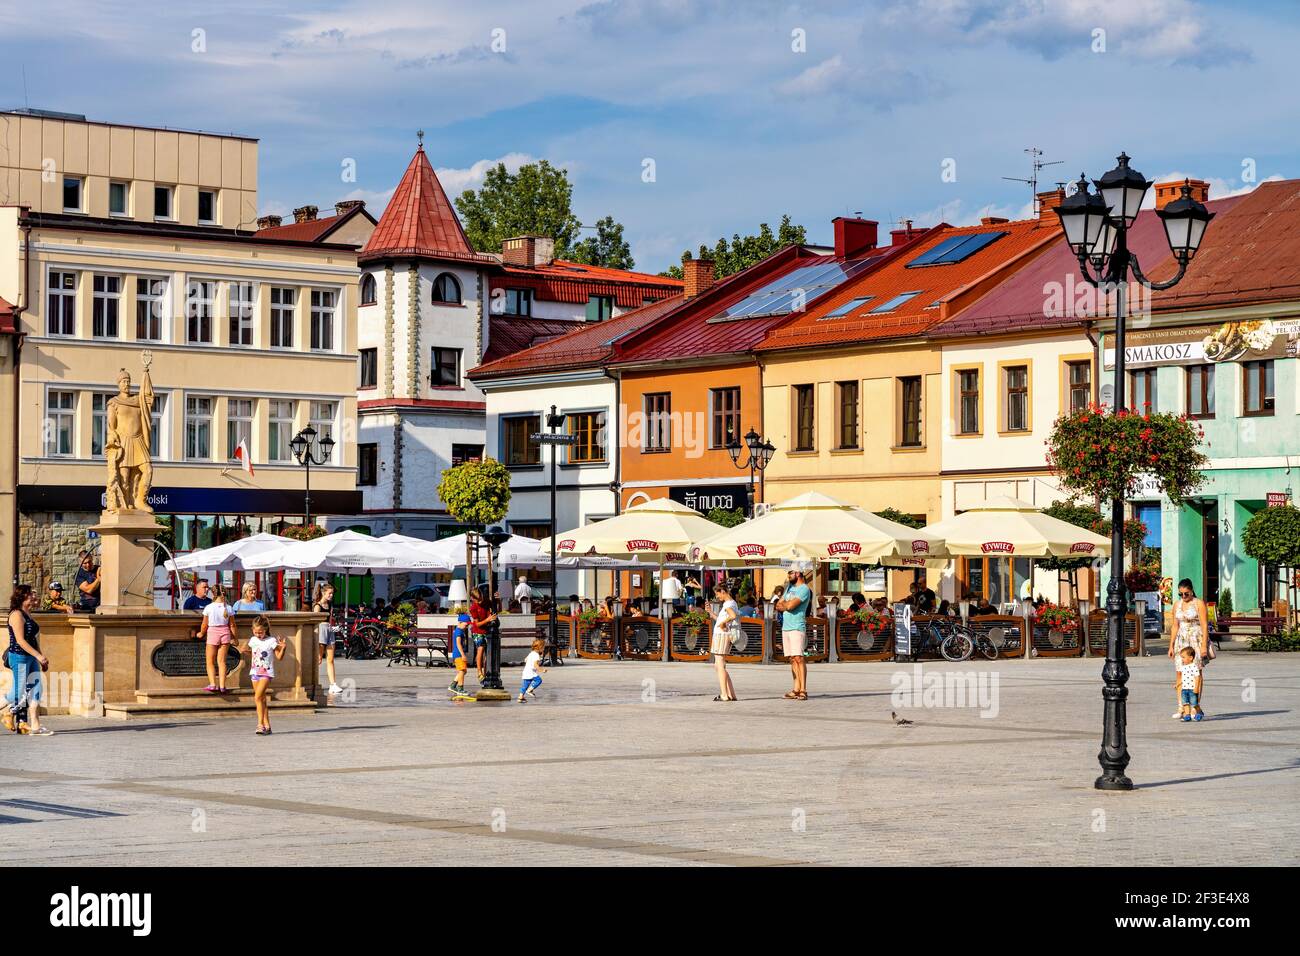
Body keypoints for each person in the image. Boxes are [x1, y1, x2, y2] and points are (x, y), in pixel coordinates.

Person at [3, 586, 52, 735]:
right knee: (17, 693)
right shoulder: (16, 615)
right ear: (23, 596)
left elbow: (33, 639)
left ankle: (36, 727)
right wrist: (38, 656)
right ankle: (8, 714)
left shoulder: (27, 613)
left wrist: (41, 657)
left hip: (31, 657)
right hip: (19, 657)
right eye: (30, 594)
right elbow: (20, 641)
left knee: (36, 690)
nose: (33, 596)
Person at [1169, 578, 1209, 719]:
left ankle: (1195, 706)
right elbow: (1175, 626)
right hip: (1181, 640)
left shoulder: (1199, 604)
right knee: (1180, 673)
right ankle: (1182, 707)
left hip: (1196, 640)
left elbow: (1204, 625)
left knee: (1196, 673)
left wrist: (1204, 645)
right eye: (1181, 594)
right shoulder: (1177, 605)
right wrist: (1171, 645)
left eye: (1186, 593)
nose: (1184, 596)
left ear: (1192, 590)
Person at [245, 614, 286, 735]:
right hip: (255, 672)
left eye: (260, 632)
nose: (258, 634)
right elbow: (252, 654)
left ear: (265, 630)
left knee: (257, 697)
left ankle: (260, 724)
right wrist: (245, 651)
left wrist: (283, 648)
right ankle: (268, 725)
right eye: (256, 632)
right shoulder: (253, 640)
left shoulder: (271, 641)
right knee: (261, 700)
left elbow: (279, 657)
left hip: (266, 673)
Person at [778, 569, 813, 700]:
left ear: (798, 573)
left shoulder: (804, 589)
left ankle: (803, 689)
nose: (788, 575)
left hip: (797, 626)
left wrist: (786, 605)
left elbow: (791, 606)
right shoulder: (789, 588)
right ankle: (796, 688)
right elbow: (778, 604)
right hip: (786, 627)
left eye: (790, 573)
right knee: (792, 658)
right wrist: (785, 605)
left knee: (799, 658)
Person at [198, 584, 238, 694]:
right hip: (225, 633)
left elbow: (204, 624)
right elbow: (233, 626)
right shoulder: (228, 608)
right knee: (222, 662)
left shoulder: (209, 607)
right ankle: (222, 686)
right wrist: (236, 638)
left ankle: (212, 684)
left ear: (213, 593)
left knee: (210, 661)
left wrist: (201, 633)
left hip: (213, 633)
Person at [709, 583, 740, 702]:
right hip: (724, 635)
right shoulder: (733, 603)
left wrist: (722, 623)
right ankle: (731, 694)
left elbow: (731, 616)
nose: (717, 597)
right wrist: (712, 614)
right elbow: (725, 618)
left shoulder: (728, 604)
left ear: (723, 591)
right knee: (719, 665)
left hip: (721, 636)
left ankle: (724, 694)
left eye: (717, 594)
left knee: (720, 664)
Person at [313, 582, 343, 696]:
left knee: (330, 659)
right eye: (329, 593)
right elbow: (315, 622)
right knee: (319, 659)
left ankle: (333, 684)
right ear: (323, 593)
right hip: (321, 631)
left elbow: (329, 620)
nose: (331, 595)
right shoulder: (317, 606)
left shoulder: (329, 605)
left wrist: (334, 628)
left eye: (332, 594)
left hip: (329, 630)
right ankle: (312, 682)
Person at [469, 587, 497, 683]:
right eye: (478, 600)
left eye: (481, 598)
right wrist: (488, 620)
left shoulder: (486, 601)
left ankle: (486, 673)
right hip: (477, 631)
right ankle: (479, 672)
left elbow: (498, 610)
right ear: (472, 598)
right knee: (480, 648)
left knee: (488, 653)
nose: (480, 601)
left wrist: (498, 601)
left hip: (487, 630)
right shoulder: (473, 608)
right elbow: (477, 624)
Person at [1174, 646, 1203, 722]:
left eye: (1183, 657)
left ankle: (1199, 712)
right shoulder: (1183, 667)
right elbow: (1182, 678)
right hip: (1184, 689)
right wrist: (1177, 684)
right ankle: (1187, 715)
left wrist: (1196, 688)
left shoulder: (1194, 667)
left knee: (1194, 703)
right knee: (1185, 703)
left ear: (1190, 658)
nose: (1182, 659)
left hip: (1192, 689)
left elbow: (1197, 677)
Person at [449, 609, 472, 698]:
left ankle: (453, 685)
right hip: (458, 654)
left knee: (463, 671)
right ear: (461, 622)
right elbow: (458, 643)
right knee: (462, 670)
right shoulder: (458, 631)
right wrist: (463, 654)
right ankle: (460, 688)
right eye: (466, 625)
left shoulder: (459, 630)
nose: (467, 627)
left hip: (457, 654)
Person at [517, 638, 546, 702]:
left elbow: (525, 659)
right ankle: (530, 690)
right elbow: (535, 665)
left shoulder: (531, 653)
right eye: (543, 648)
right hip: (531, 672)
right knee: (539, 680)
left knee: (525, 685)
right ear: (539, 648)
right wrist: (541, 670)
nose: (543, 649)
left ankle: (520, 697)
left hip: (526, 672)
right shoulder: (536, 655)